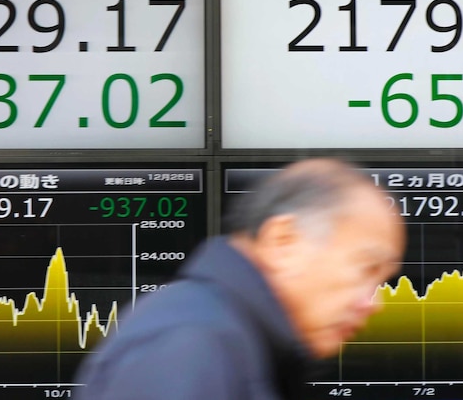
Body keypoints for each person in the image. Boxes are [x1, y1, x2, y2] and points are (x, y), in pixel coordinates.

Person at [74, 158, 406, 399]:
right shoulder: (191, 344)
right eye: (366, 269)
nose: (373, 303)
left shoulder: (236, 341)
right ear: (284, 242)